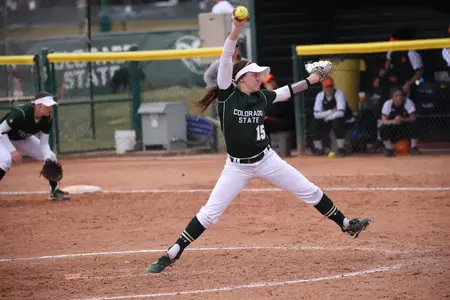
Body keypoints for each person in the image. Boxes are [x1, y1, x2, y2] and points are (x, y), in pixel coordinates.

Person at [147, 12, 371, 274]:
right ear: (241, 78)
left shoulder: (261, 97)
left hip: (266, 160)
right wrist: (235, 29)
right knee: (209, 214)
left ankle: (347, 225)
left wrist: (313, 78)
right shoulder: (227, 95)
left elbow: (288, 91)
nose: (259, 77)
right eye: (254, 75)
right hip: (237, 167)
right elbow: (225, 56)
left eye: (259, 75)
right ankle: (172, 254)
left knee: (309, 190)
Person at [0, 91, 70, 200]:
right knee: (5, 160)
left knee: (51, 157)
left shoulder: (47, 118)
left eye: (51, 105)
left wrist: (47, 160)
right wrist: (12, 150)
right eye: (47, 106)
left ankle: (54, 191)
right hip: (2, 137)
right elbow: (1, 131)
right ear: (38, 105)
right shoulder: (21, 113)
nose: (50, 108)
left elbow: (44, 144)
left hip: (20, 139)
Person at [373, 29, 424, 98]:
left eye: (394, 42)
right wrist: (380, 76)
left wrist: (409, 84)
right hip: (390, 83)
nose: (392, 44)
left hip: (404, 85)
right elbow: (387, 63)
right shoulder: (391, 51)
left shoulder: (411, 53)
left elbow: (419, 71)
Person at [379, 86, 420, 157]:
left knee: (415, 124)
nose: (399, 98)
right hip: (393, 129)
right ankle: (389, 149)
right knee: (382, 128)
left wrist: (402, 119)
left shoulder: (408, 102)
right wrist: (393, 121)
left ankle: (413, 147)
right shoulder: (388, 104)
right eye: (396, 96)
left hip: (405, 127)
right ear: (392, 97)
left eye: (401, 95)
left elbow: (413, 118)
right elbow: (383, 120)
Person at [312, 78, 348, 157]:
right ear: (323, 88)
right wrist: (331, 111)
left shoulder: (339, 94)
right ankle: (319, 149)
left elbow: (340, 113)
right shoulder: (320, 95)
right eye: (326, 87)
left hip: (341, 119)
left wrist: (327, 117)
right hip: (327, 119)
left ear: (333, 87)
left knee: (337, 122)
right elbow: (316, 114)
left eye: (330, 86)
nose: (328, 89)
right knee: (316, 123)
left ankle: (341, 148)